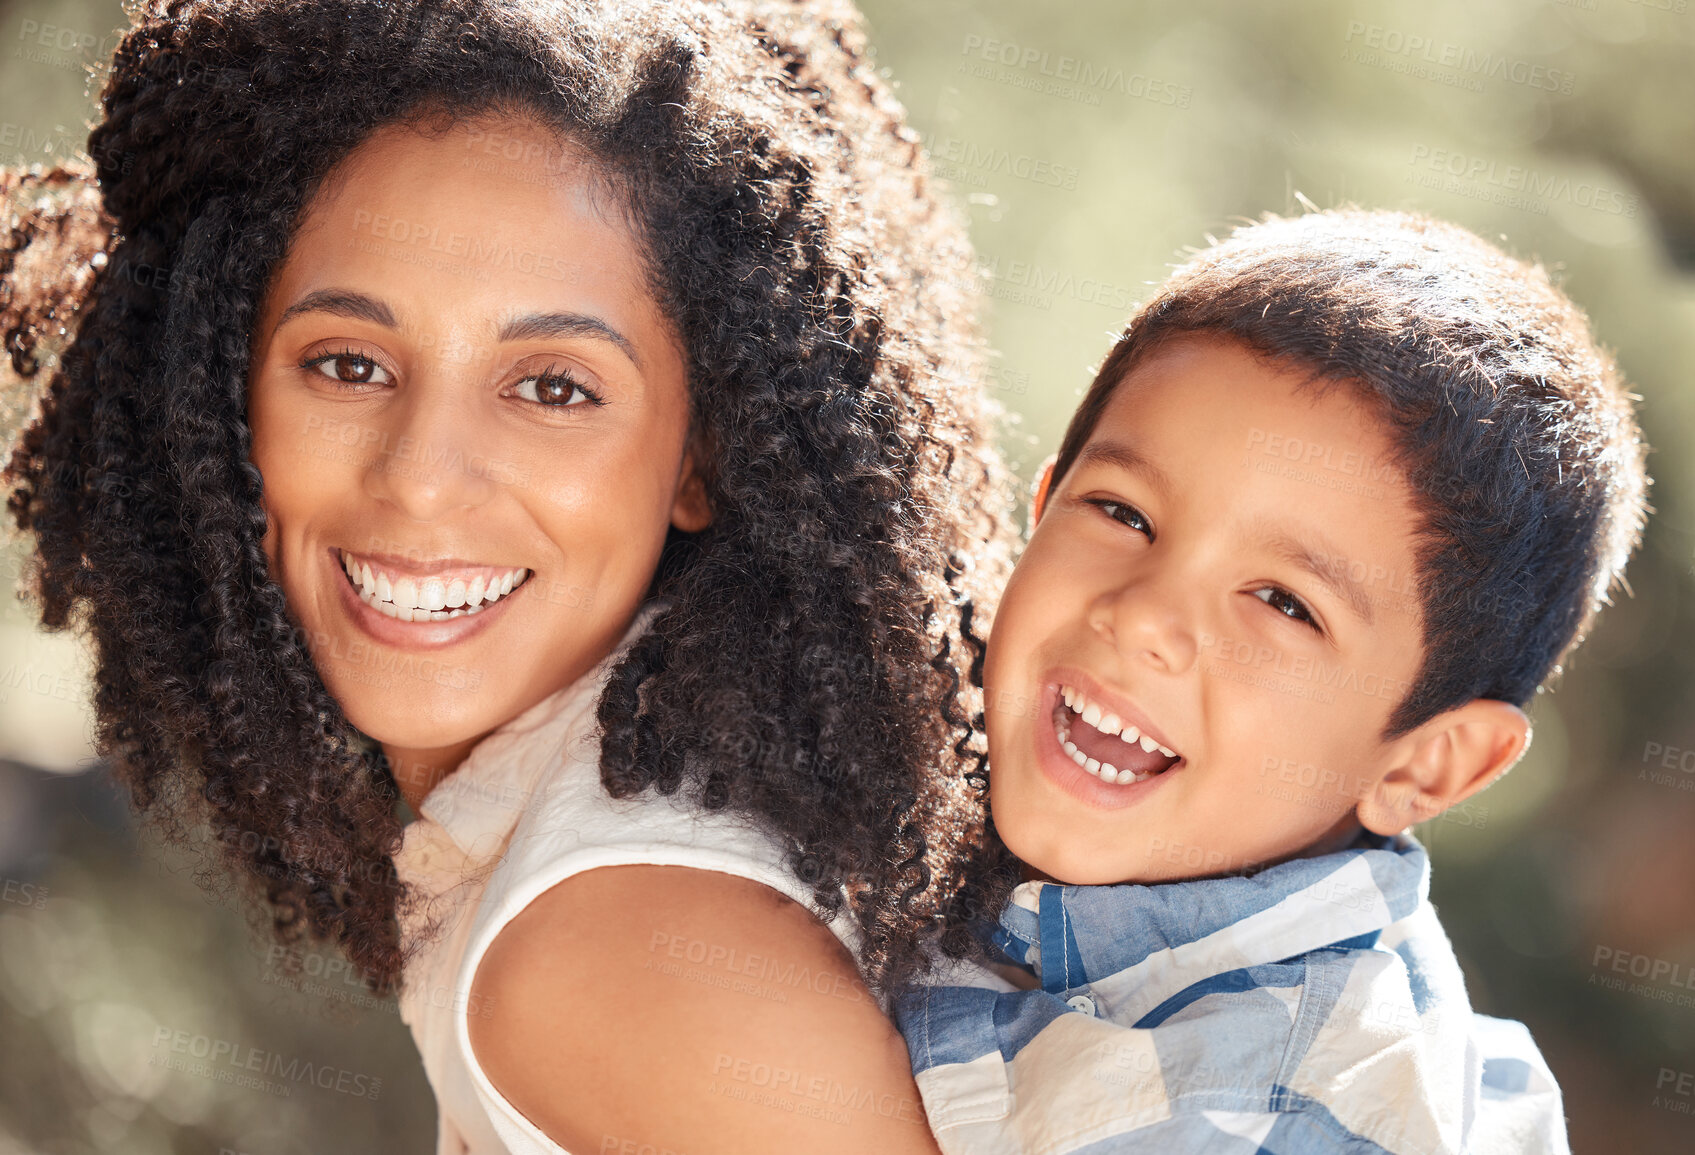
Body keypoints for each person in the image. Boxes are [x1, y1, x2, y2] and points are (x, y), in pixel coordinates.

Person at [0, 1, 1017, 1151]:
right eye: (348, 364)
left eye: (554, 388)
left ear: (704, 456)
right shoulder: (582, 840)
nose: (422, 480)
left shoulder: (614, 944)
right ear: (219, 391)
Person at [892, 209, 1650, 1154]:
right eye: (1122, 512)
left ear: (1426, 765)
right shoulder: (881, 793)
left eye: (1284, 603)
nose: (1143, 618)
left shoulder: (1294, 1105)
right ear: (1037, 509)